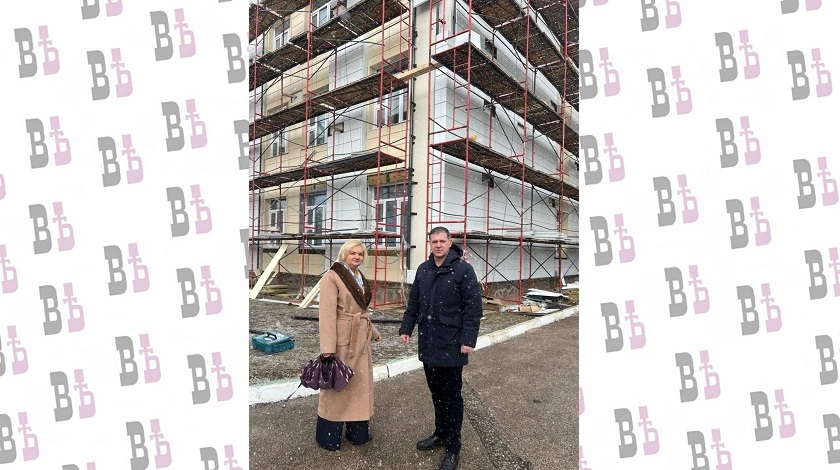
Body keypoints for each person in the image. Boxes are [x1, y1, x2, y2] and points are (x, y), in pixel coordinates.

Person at [399, 227, 482, 470]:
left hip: (452, 344)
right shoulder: (424, 270)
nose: (438, 245)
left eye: (442, 241)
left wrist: (468, 339)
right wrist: (406, 327)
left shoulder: (463, 270)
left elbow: (473, 308)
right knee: (436, 394)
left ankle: (453, 447)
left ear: (449, 242)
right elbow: (414, 302)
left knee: (452, 398)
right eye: (434, 241)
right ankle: (440, 433)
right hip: (429, 342)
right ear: (430, 243)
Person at [315, 239, 382, 451]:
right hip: (342, 342)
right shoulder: (332, 276)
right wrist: (327, 348)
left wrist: (373, 332)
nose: (357, 257)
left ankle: (358, 434)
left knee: (358, 388)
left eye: (360, 254)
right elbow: (326, 315)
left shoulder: (358, 276)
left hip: (360, 340)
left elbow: (362, 312)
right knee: (338, 387)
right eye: (353, 253)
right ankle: (329, 437)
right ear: (344, 254)